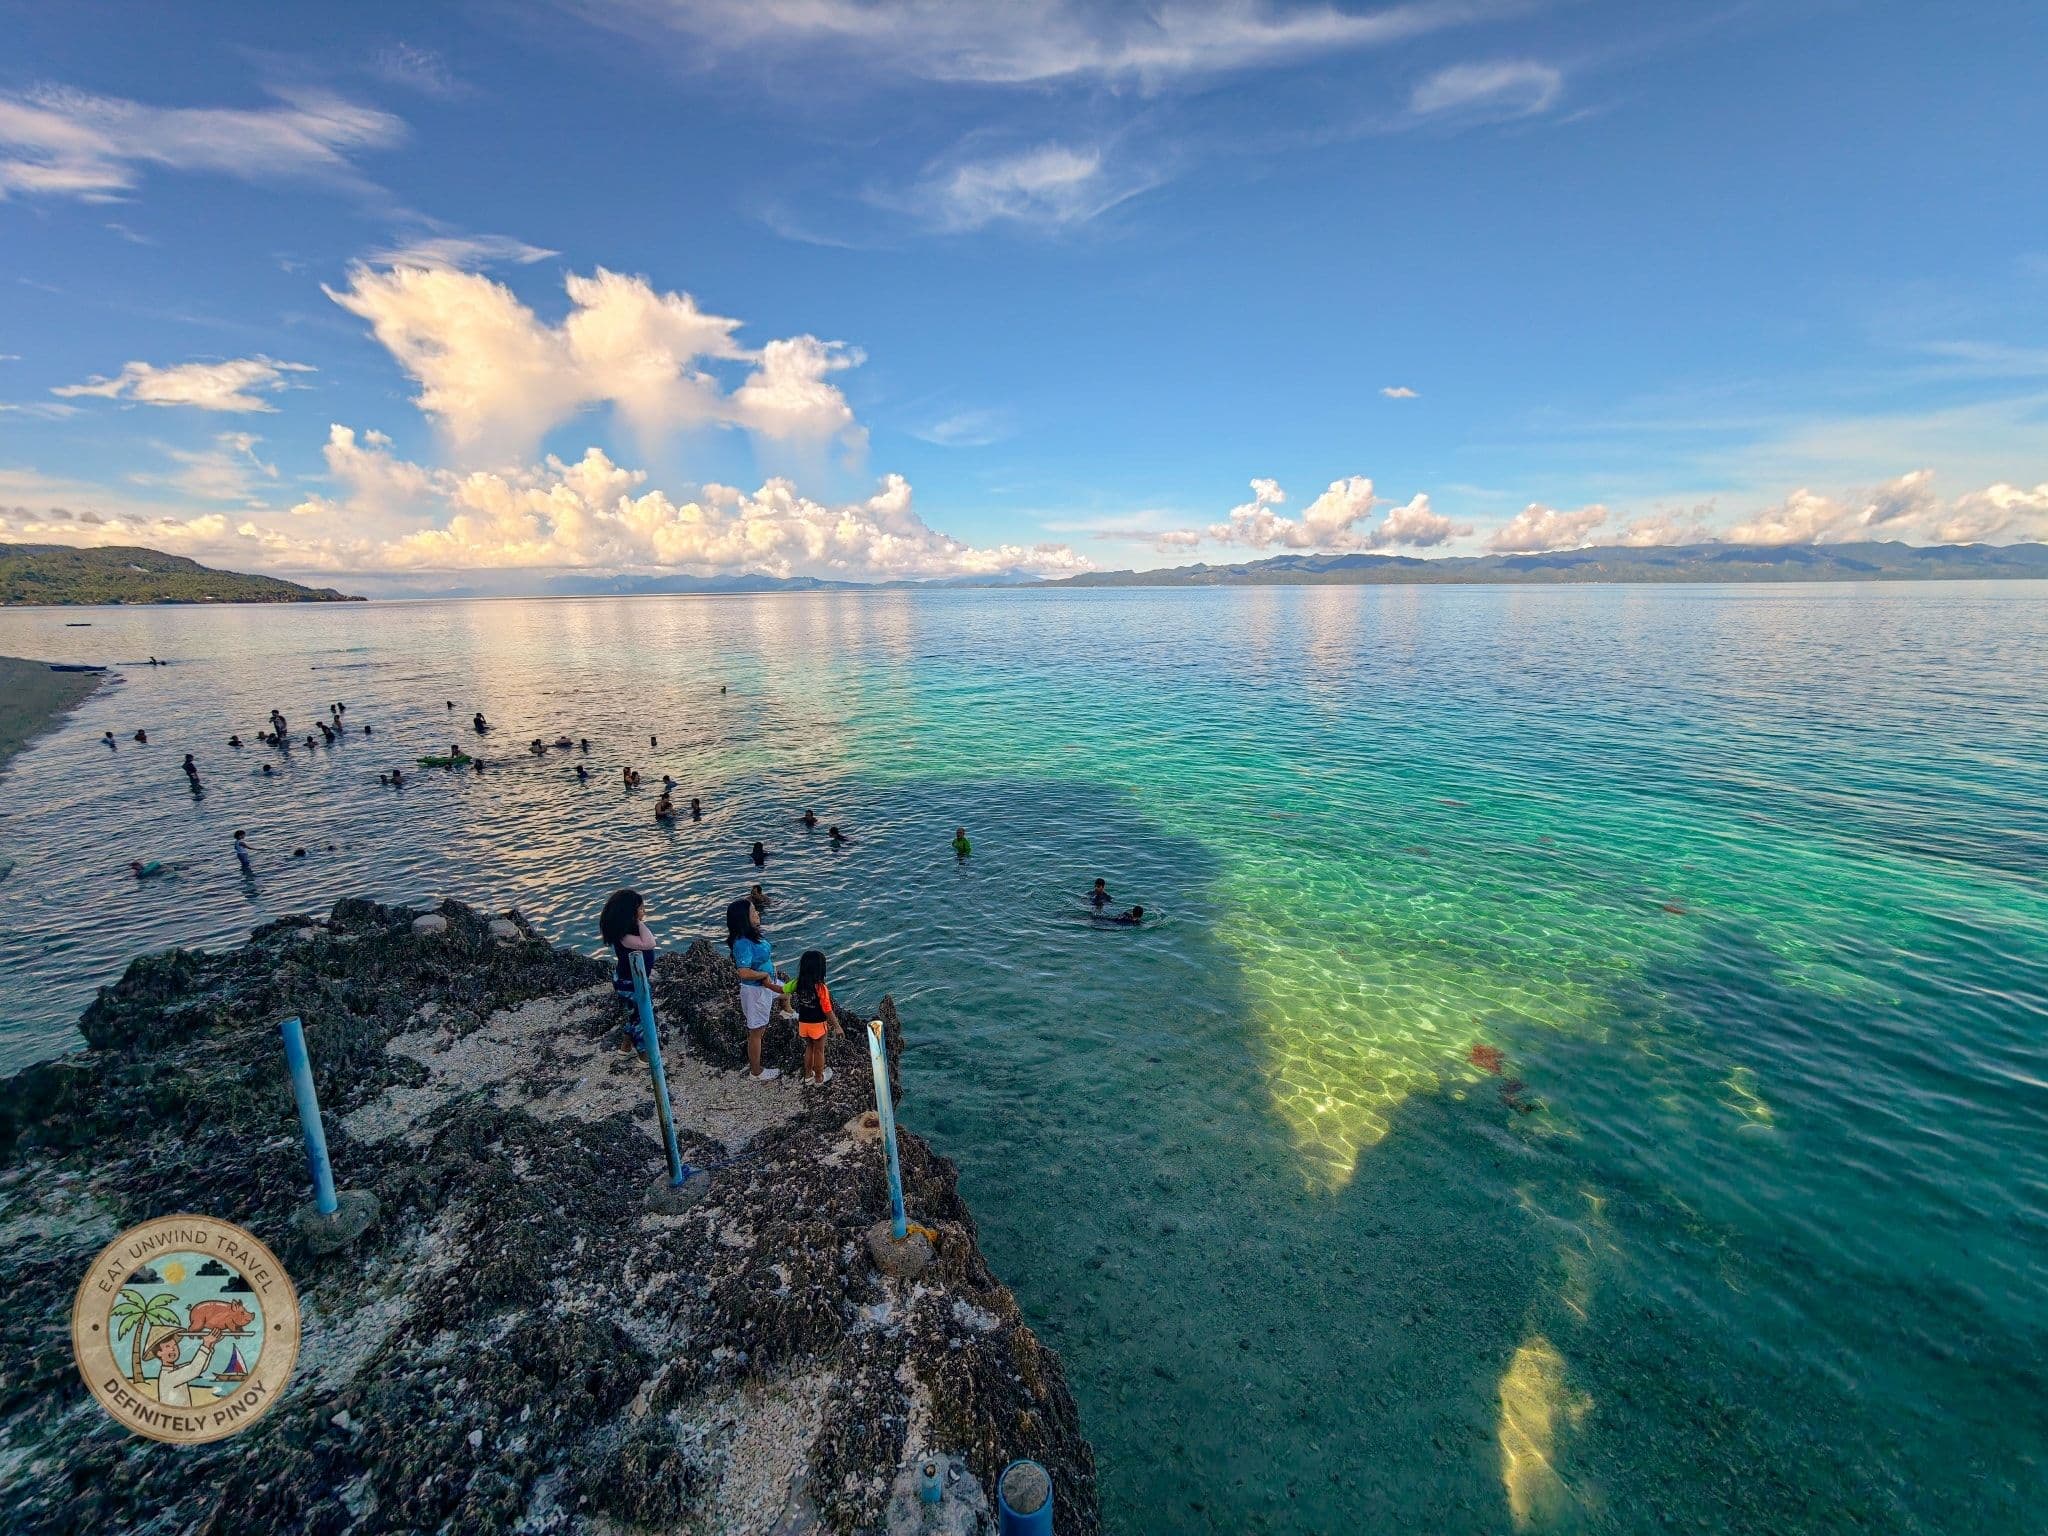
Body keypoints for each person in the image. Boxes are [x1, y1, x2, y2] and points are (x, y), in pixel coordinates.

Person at [726, 898, 784, 1081]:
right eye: (753, 912)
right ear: (744, 919)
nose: (757, 913)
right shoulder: (742, 943)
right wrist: (763, 976)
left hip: (766, 985)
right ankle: (756, 1071)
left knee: (785, 992)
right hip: (755, 992)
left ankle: (787, 1011)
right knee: (757, 1031)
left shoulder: (753, 935)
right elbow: (742, 971)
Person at [599, 888, 658, 1036]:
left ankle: (625, 1048)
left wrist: (636, 921)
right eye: (640, 909)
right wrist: (638, 922)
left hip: (633, 979)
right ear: (629, 914)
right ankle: (644, 1056)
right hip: (631, 983)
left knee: (634, 1015)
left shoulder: (628, 930)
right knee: (642, 1019)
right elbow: (649, 943)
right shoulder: (624, 936)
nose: (643, 912)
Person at [792, 949, 842, 1085]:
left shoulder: (798, 983)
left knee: (809, 1047)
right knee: (819, 1051)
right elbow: (827, 1010)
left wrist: (767, 984)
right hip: (818, 1024)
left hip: (803, 1023)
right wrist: (837, 1026)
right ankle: (819, 1078)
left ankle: (808, 1076)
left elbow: (783, 989)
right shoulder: (821, 988)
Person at [146, 1326, 220, 1409]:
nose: (173, 1349)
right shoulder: (168, 1376)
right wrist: (206, 1344)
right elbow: (194, 1369)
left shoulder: (176, 1370)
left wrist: (211, 1345)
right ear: (159, 1353)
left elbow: (201, 1368)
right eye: (167, 1346)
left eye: (174, 1345)